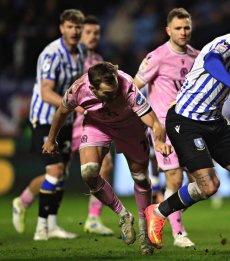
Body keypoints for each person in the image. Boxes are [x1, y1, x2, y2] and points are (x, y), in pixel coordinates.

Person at [144, 20, 230, 256]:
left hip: (213, 121)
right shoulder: (223, 46)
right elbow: (212, 64)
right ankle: (157, 212)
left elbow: (228, 82)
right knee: (209, 186)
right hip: (185, 121)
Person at [42, 61, 172, 255]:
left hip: (130, 128)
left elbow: (153, 121)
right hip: (98, 126)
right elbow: (62, 111)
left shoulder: (126, 86)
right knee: (89, 173)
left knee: (141, 179)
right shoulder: (78, 89)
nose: (113, 96)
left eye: (114, 92)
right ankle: (123, 214)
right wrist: (51, 139)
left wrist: (159, 141)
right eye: (107, 94)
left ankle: (145, 234)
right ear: (92, 88)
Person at [12, 9, 86, 240]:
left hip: (66, 120)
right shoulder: (51, 54)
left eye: (77, 27)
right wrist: (74, 105)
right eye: (70, 27)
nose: (74, 31)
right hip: (44, 119)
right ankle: (41, 228)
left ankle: (41, 216)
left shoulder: (80, 53)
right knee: (54, 171)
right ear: (61, 28)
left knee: (60, 173)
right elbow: (45, 93)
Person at [134, 7, 199, 248]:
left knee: (204, 182)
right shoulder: (157, 56)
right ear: (168, 30)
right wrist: (146, 119)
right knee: (175, 177)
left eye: (187, 27)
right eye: (178, 28)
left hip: (192, 126)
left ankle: (160, 209)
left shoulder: (197, 57)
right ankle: (179, 234)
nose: (183, 32)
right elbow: (133, 87)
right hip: (165, 126)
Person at [71, 15, 114, 236]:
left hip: (92, 124)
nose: (92, 36)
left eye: (96, 33)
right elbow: (66, 93)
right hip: (69, 123)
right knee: (56, 173)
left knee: (105, 165)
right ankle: (30, 205)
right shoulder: (71, 59)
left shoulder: (98, 61)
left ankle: (93, 218)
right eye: (88, 32)